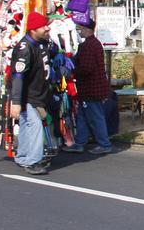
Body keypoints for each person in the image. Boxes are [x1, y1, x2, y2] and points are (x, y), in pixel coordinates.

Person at [9, 12, 54, 175]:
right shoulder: (24, 48)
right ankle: (33, 161)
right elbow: (18, 76)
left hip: (39, 94)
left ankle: (23, 156)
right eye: (44, 26)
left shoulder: (42, 42)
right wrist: (16, 102)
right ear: (34, 29)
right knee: (35, 125)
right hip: (27, 95)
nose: (47, 28)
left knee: (27, 126)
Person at [64, 18, 113, 155]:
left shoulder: (89, 46)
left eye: (80, 29)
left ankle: (104, 143)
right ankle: (80, 142)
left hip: (91, 87)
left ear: (87, 30)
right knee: (83, 116)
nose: (79, 32)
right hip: (90, 87)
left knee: (95, 116)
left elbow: (86, 68)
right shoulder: (93, 44)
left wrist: (72, 69)